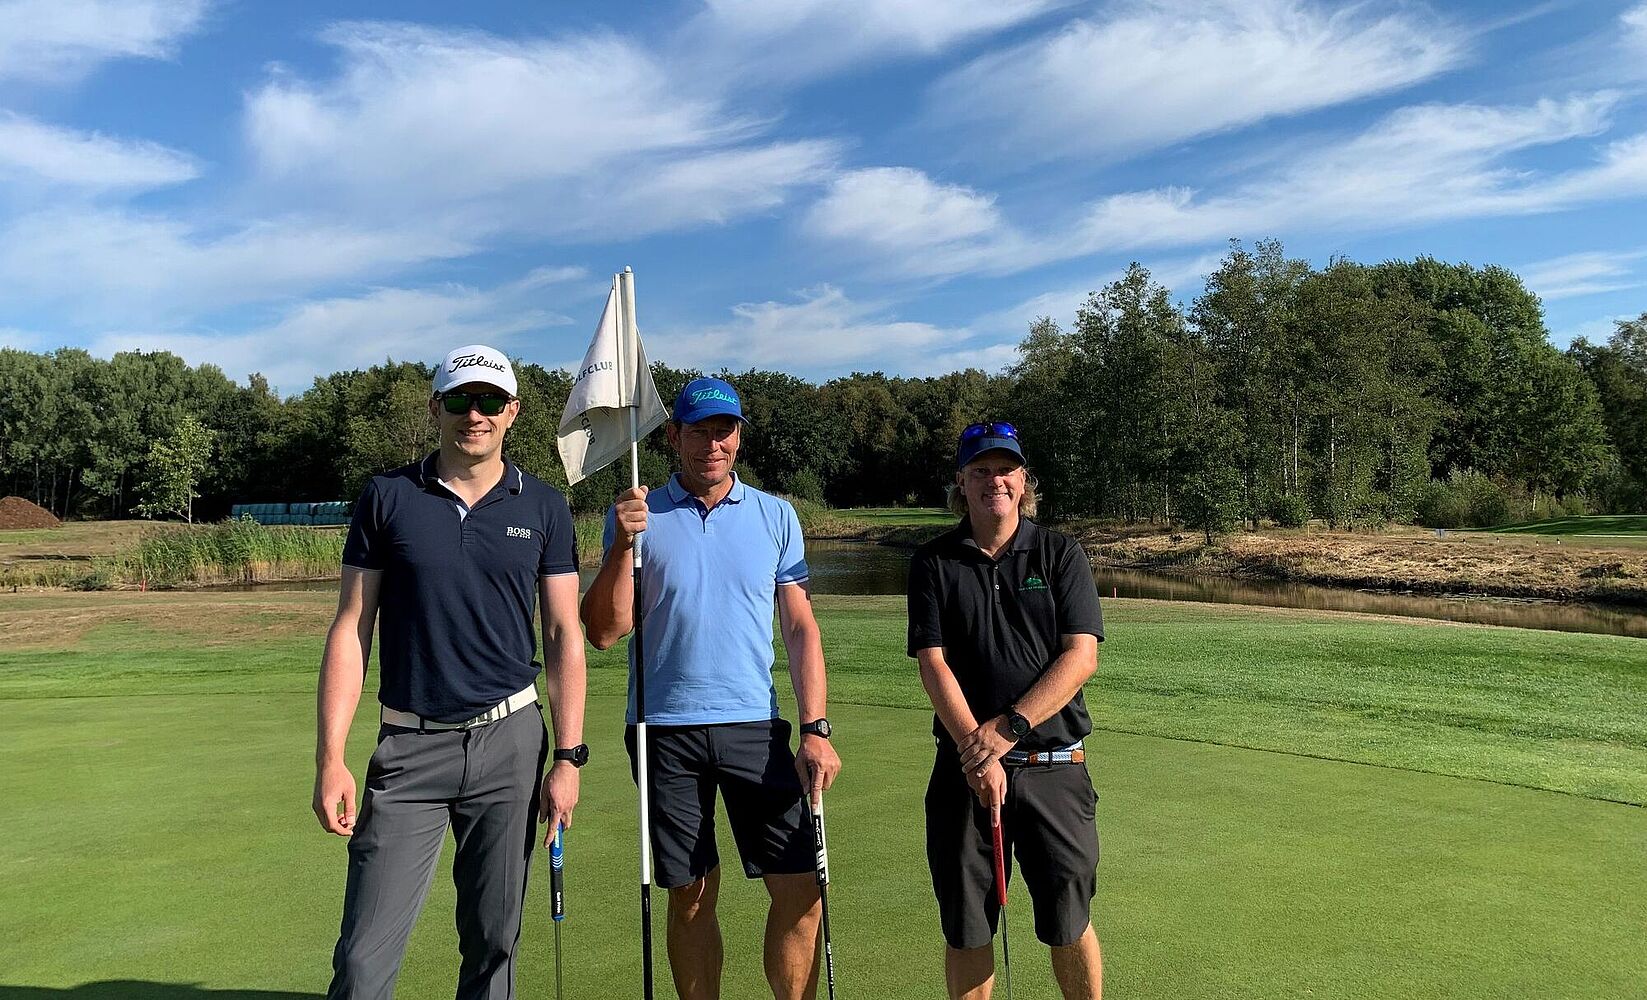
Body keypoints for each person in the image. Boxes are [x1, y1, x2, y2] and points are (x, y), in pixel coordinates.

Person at [313, 344, 589, 1000]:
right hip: (409, 746)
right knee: (362, 961)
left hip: (510, 742)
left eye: (490, 401)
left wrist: (569, 758)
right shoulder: (388, 496)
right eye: (461, 400)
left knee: (494, 947)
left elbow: (562, 634)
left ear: (513, 411)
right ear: (436, 406)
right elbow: (352, 627)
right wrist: (330, 757)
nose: (475, 414)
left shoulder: (543, 505)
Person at [581, 376, 843, 1000]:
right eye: (699, 431)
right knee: (692, 894)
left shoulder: (776, 515)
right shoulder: (638, 514)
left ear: (739, 437)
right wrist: (622, 544)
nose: (713, 444)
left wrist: (815, 727)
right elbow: (605, 632)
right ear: (673, 436)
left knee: (801, 888)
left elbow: (800, 627)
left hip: (754, 726)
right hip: (662, 729)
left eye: (724, 430)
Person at [907, 422, 1105, 1000]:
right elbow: (933, 663)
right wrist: (978, 753)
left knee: (1069, 923)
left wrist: (1007, 731)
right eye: (981, 470)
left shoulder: (1060, 553)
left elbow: (1081, 656)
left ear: (1023, 481)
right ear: (961, 483)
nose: (995, 481)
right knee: (967, 928)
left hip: (1054, 767)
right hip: (964, 772)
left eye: (1005, 470)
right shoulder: (934, 562)